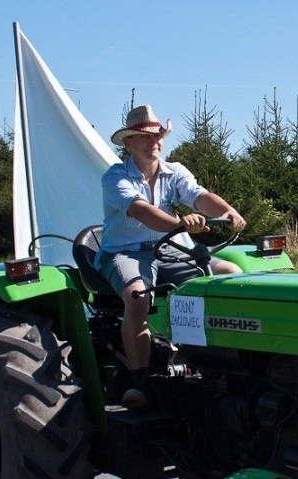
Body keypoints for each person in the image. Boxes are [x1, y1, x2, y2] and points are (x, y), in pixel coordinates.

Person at [95, 104, 246, 407]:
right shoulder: (115, 177)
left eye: (157, 136)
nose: (153, 142)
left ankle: (226, 368)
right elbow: (141, 211)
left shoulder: (175, 172)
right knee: (137, 297)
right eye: (144, 137)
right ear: (129, 143)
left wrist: (228, 212)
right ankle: (139, 383)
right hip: (126, 252)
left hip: (171, 250)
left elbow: (199, 197)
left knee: (230, 275)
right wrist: (179, 224)